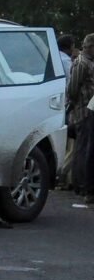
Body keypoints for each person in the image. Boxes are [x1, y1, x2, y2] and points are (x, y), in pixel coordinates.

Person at [67, 34, 94, 202]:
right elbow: (72, 89)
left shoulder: (88, 62)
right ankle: (80, 184)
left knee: (85, 147)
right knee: (83, 148)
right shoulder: (81, 63)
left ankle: (82, 183)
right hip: (83, 110)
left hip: (88, 110)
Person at [58, 35, 77, 190]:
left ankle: (66, 177)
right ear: (69, 46)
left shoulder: (53, 58)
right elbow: (72, 84)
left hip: (56, 104)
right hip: (68, 105)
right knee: (72, 142)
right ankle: (63, 175)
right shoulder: (66, 62)